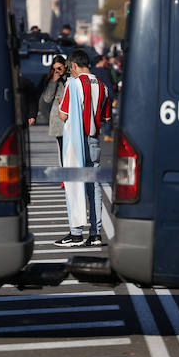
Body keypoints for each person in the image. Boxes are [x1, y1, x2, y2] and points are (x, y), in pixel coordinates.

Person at [53, 49, 111, 247]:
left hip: (77, 142)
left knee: (74, 185)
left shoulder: (73, 84)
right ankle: (95, 234)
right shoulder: (102, 86)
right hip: (93, 140)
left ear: (74, 65)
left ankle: (75, 232)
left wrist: (61, 103)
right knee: (93, 188)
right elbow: (105, 118)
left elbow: (63, 115)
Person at [40, 56, 68, 167]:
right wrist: (53, 81)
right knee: (62, 148)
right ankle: (64, 174)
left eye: (60, 68)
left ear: (65, 65)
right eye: (55, 69)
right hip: (58, 120)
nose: (58, 71)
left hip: (72, 117)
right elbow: (47, 99)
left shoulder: (71, 77)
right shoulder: (52, 79)